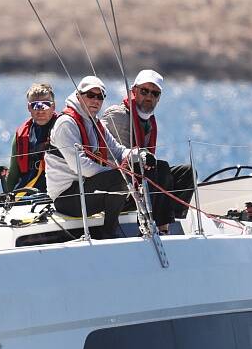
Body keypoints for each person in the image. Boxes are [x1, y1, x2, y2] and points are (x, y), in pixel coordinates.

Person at [100, 69, 195, 233]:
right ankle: (160, 228)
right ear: (134, 91)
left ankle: (168, 220)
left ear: (159, 98)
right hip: (117, 184)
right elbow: (105, 152)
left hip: (140, 178)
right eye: (144, 91)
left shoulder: (148, 120)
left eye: (154, 93)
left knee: (187, 172)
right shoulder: (117, 115)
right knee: (160, 167)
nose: (149, 96)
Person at [44, 76, 131, 239]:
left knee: (142, 170)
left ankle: (159, 227)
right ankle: (109, 233)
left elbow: (118, 151)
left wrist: (139, 156)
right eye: (90, 95)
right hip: (66, 197)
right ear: (78, 96)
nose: (96, 100)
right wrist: (115, 170)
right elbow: (81, 166)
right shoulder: (66, 123)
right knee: (119, 178)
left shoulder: (95, 123)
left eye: (100, 97)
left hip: (86, 188)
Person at [4, 81, 57, 194]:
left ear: (53, 106)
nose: (40, 111)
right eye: (35, 105)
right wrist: (6, 197)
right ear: (29, 107)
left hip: (55, 191)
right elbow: (13, 173)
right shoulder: (21, 134)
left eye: (45, 105)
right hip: (25, 192)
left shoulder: (63, 128)